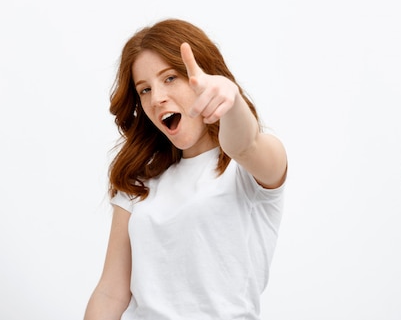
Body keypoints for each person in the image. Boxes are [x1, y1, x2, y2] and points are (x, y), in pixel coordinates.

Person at [84, 19, 288, 320]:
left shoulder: (247, 168)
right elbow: (111, 292)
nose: (157, 98)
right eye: (144, 90)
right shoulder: (140, 181)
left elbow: (245, 145)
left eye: (170, 78)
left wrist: (230, 100)